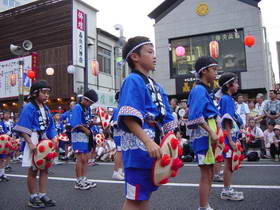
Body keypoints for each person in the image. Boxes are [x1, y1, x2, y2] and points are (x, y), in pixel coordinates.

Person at [118, 36, 176, 210]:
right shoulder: (132, 80)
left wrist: (172, 142)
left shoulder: (155, 85)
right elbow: (128, 116)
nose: (154, 56)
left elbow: (166, 116)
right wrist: (147, 141)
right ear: (135, 57)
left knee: (144, 195)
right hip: (139, 149)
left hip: (153, 147)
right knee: (134, 198)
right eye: (150, 52)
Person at [13, 80, 57, 208]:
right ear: (35, 93)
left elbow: (51, 126)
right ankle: (33, 197)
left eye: (48, 92)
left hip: (44, 140)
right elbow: (23, 127)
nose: (47, 95)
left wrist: (54, 138)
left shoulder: (46, 108)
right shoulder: (28, 107)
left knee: (45, 168)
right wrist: (30, 143)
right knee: (33, 169)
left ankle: (43, 194)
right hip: (33, 138)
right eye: (44, 92)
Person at [187, 56, 220, 210]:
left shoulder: (205, 89)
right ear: (204, 71)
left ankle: (205, 205)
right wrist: (211, 132)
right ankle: (203, 206)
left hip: (210, 131)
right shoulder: (199, 89)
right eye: (213, 70)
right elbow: (196, 115)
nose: (215, 73)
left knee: (210, 172)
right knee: (206, 173)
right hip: (204, 133)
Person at [218, 72, 244, 201]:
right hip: (228, 137)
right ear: (229, 85)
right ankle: (226, 191)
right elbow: (226, 121)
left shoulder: (228, 98)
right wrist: (230, 140)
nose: (238, 85)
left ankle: (227, 189)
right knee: (229, 164)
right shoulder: (226, 99)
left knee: (230, 164)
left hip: (230, 136)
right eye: (236, 83)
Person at [70, 89, 98, 190]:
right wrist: (84, 129)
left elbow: (88, 121)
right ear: (85, 99)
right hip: (78, 135)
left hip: (85, 135)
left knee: (86, 158)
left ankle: (84, 178)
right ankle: (78, 180)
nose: (90, 104)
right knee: (80, 158)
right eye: (90, 102)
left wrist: (96, 123)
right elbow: (75, 123)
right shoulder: (78, 107)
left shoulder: (88, 108)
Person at [111, 92, 124, 180]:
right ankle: (116, 172)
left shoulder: (122, 108)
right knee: (119, 153)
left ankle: (119, 170)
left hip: (122, 134)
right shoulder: (117, 109)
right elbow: (115, 123)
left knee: (121, 153)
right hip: (119, 134)